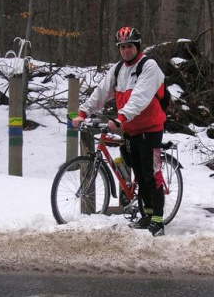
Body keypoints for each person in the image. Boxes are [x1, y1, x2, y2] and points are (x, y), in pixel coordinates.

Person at [71, 26, 167, 237]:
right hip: (131, 129)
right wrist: (83, 112)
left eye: (129, 46)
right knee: (140, 175)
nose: (125, 51)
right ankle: (147, 216)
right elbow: (101, 92)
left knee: (152, 175)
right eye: (122, 47)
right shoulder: (118, 69)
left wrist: (120, 118)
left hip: (151, 129)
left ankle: (158, 221)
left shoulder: (148, 66)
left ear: (137, 47)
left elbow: (140, 98)